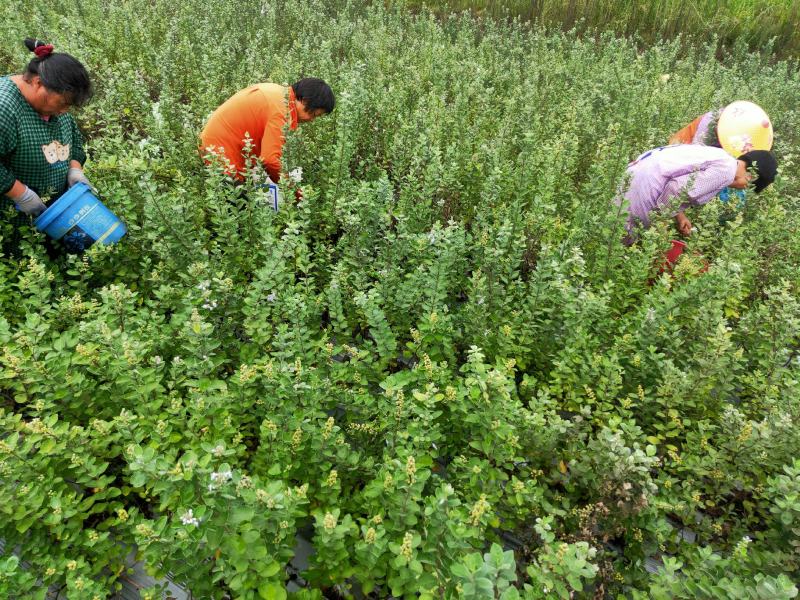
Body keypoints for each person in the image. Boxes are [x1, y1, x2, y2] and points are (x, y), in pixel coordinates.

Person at [1, 38, 93, 228]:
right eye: (63, 103)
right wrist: (21, 194)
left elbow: (74, 141)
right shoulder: (5, 107)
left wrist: (75, 168)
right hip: (10, 220)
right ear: (38, 82)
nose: (64, 111)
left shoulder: (53, 107)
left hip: (52, 216)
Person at [618, 144, 777, 244]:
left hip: (635, 174)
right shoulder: (726, 172)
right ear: (750, 177)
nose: (742, 189)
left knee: (610, 224)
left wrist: (679, 215)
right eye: (748, 187)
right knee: (615, 241)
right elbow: (676, 189)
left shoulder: (722, 156)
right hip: (644, 187)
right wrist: (662, 225)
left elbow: (678, 179)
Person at [200, 78, 334, 186]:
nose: (311, 120)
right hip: (222, 156)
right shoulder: (283, 111)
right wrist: (293, 191)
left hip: (214, 146)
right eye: (314, 114)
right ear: (305, 101)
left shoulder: (278, 93)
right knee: (240, 211)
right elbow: (270, 159)